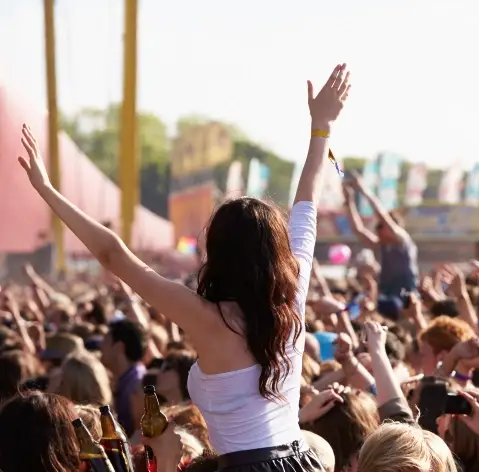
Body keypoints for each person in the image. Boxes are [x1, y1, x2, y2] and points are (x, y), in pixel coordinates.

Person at [18, 64, 351, 471]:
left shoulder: (207, 316)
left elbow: (113, 255)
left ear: (219, 253)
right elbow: (307, 205)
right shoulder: (291, 296)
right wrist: (321, 129)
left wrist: (48, 191)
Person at [342, 173, 418, 318]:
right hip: (387, 296)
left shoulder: (402, 240)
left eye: (380, 227)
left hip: (406, 297)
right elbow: (358, 230)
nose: (377, 231)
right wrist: (349, 201)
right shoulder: (380, 245)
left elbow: (382, 215)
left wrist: (363, 189)